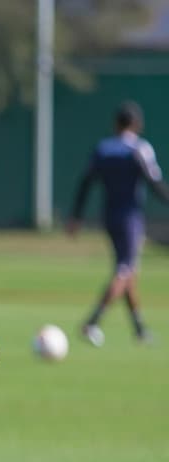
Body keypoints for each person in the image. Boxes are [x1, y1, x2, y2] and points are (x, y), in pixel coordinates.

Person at [67, 100, 169, 346]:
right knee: (125, 270)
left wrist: (76, 216)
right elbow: (153, 182)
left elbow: (86, 182)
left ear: (116, 123)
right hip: (130, 217)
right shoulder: (139, 149)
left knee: (127, 270)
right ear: (137, 124)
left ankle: (139, 329)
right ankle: (92, 322)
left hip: (109, 216)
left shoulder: (103, 148)